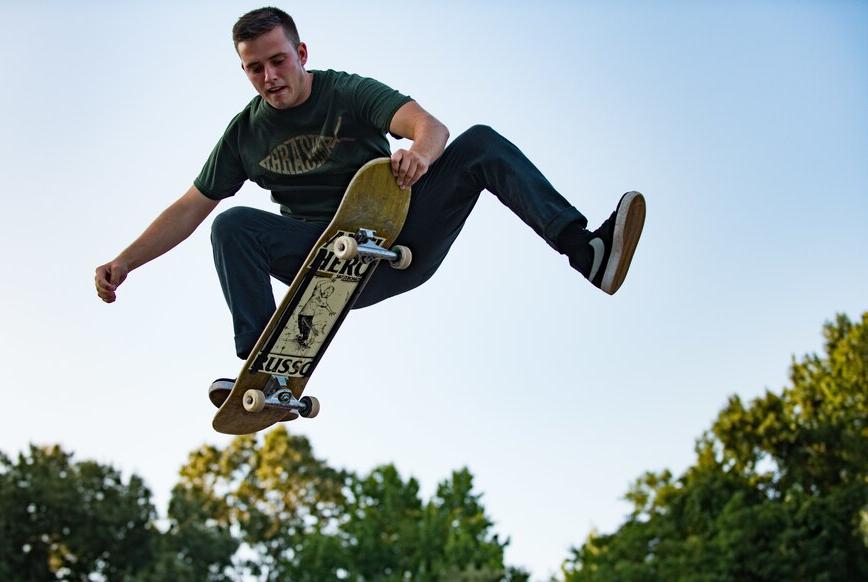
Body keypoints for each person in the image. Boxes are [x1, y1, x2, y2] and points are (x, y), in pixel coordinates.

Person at [95, 7, 646, 407]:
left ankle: (586, 251)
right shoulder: (245, 135)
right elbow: (191, 207)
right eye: (254, 69)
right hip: (322, 262)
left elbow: (430, 127)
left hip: (403, 238)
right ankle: (266, 372)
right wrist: (126, 261)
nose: (270, 78)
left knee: (478, 143)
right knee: (231, 224)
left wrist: (420, 156)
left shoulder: (349, 92)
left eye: (278, 61)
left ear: (301, 54)